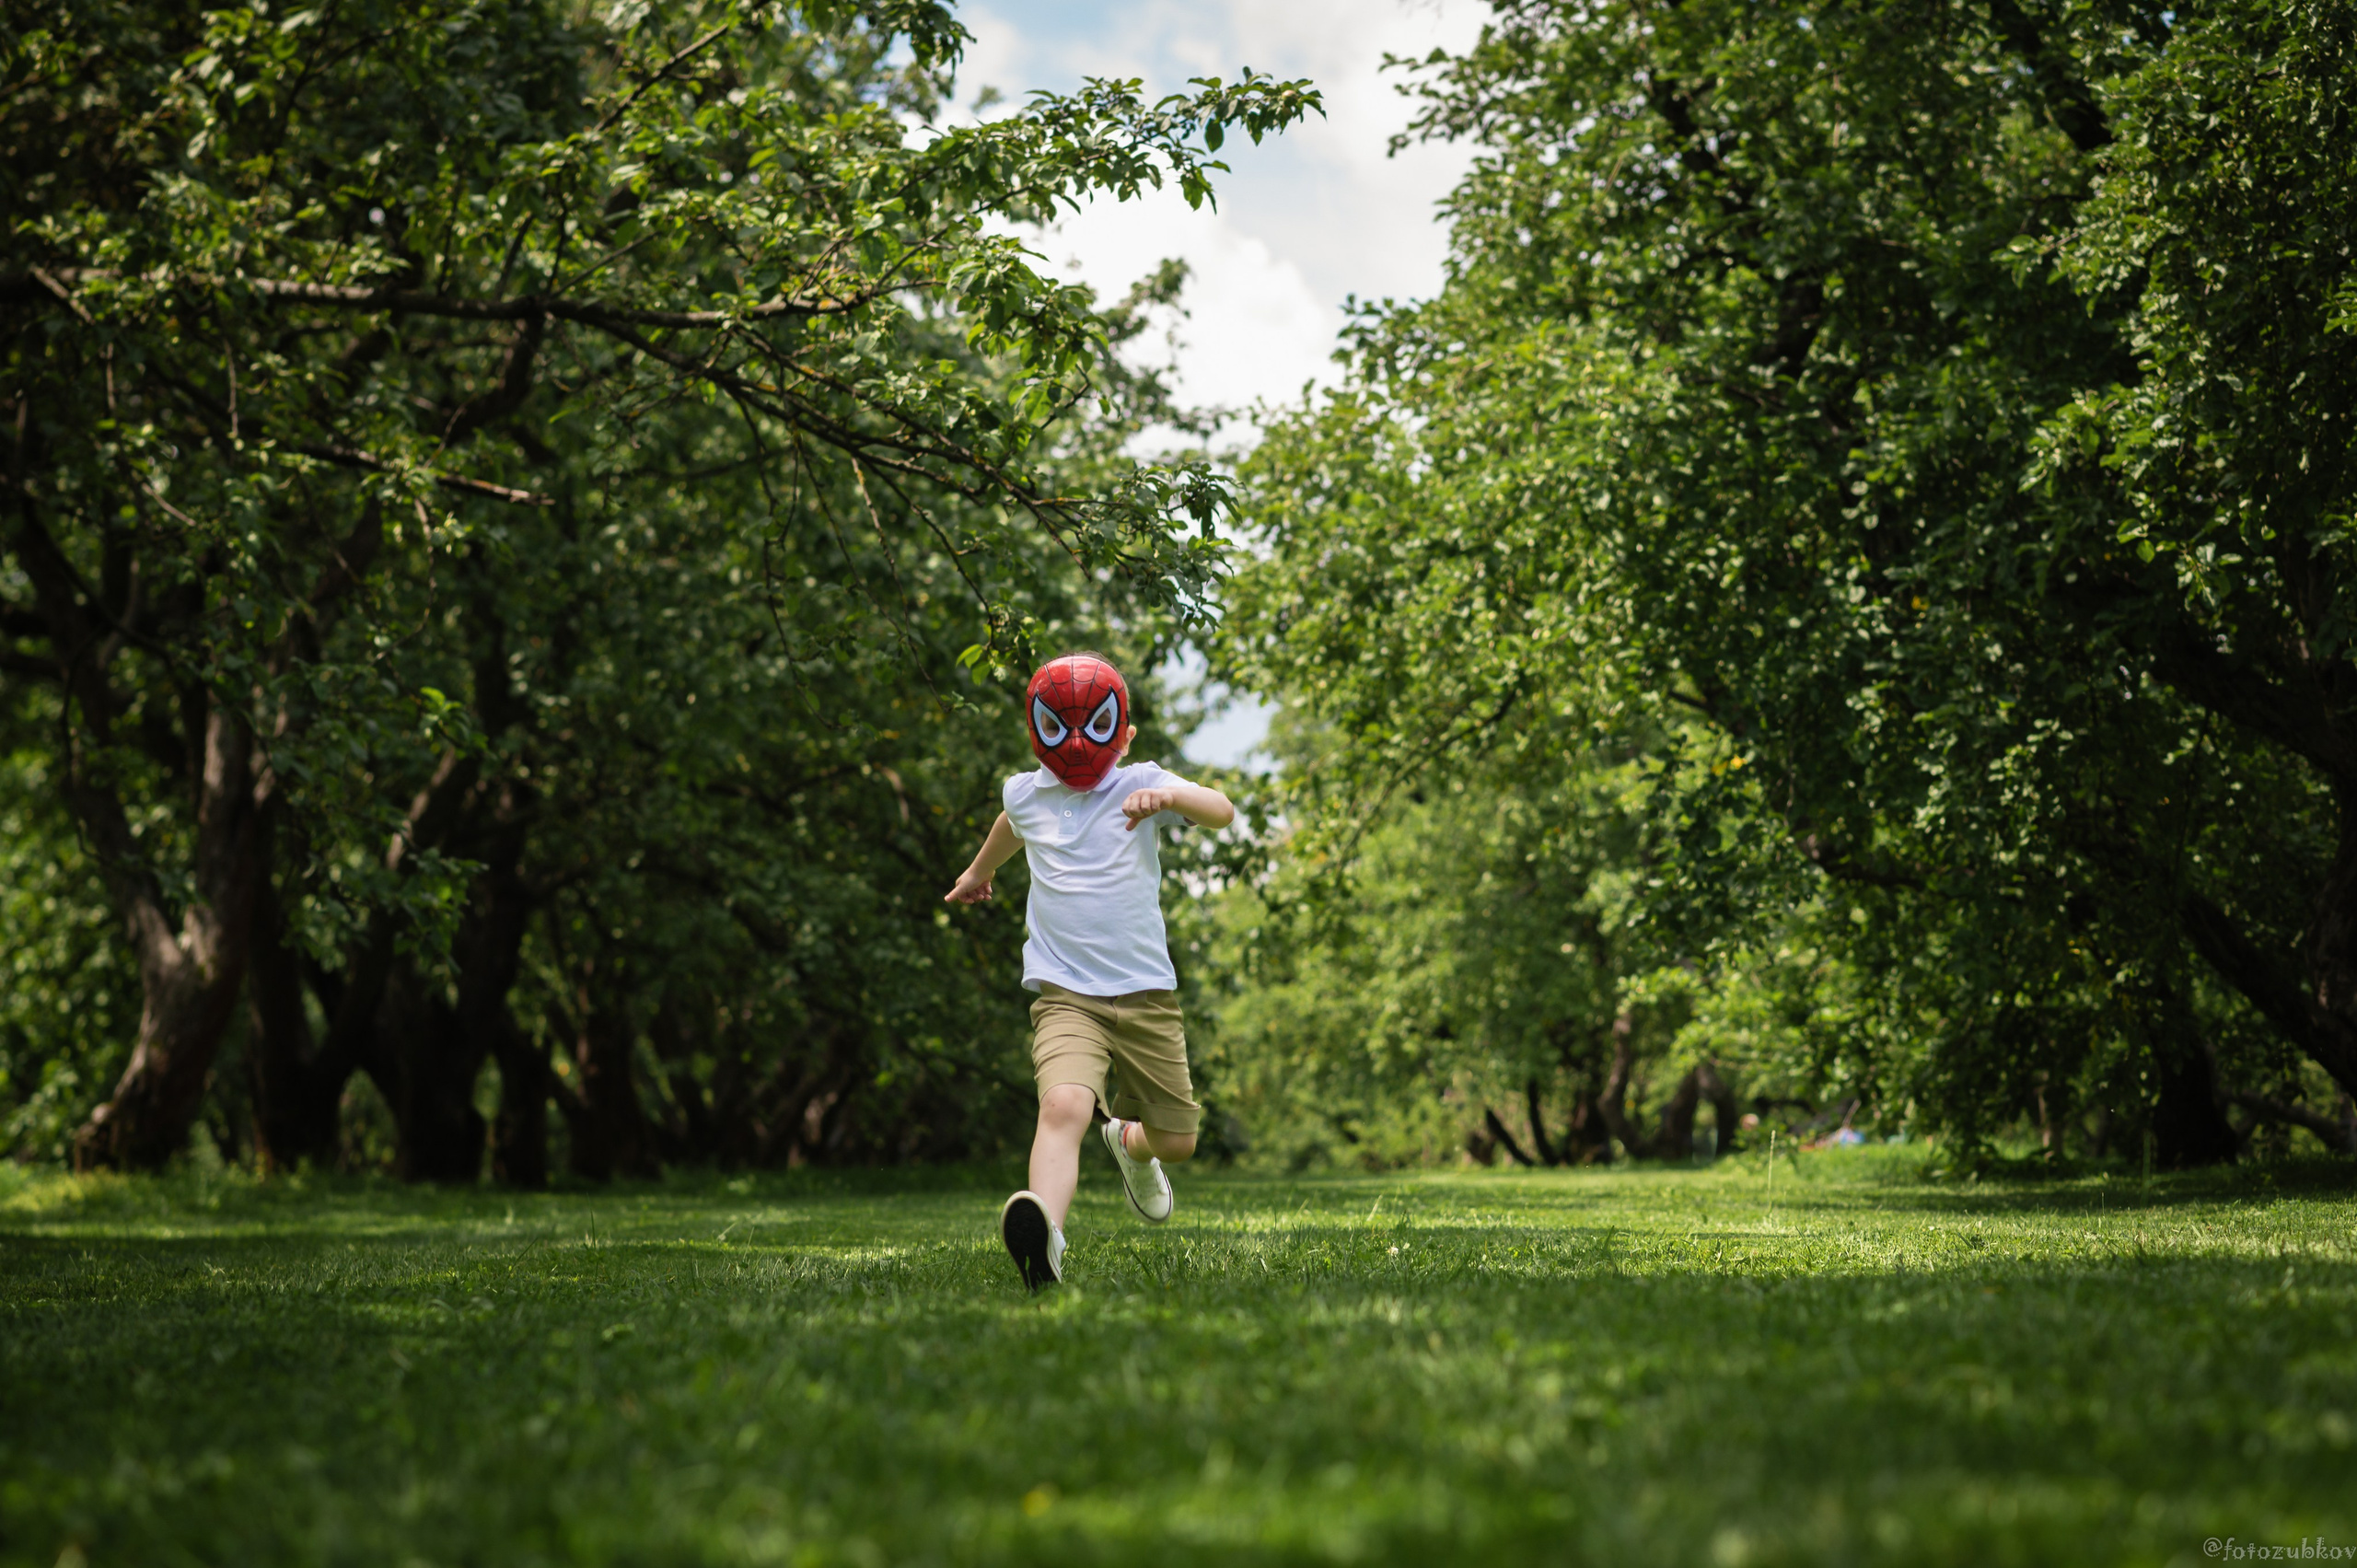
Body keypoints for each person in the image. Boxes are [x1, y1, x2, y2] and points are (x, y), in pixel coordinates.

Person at [943, 652, 1236, 1291]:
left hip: (1145, 997)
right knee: (1063, 1104)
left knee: (1178, 1140)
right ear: (1037, 733)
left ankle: (1130, 1144)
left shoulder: (1143, 782)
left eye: (1098, 728)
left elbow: (1222, 809)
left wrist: (1175, 794)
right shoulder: (1026, 791)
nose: (1077, 745)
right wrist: (979, 872)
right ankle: (1046, 1239)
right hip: (1065, 996)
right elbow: (1010, 825)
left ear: (1125, 734)